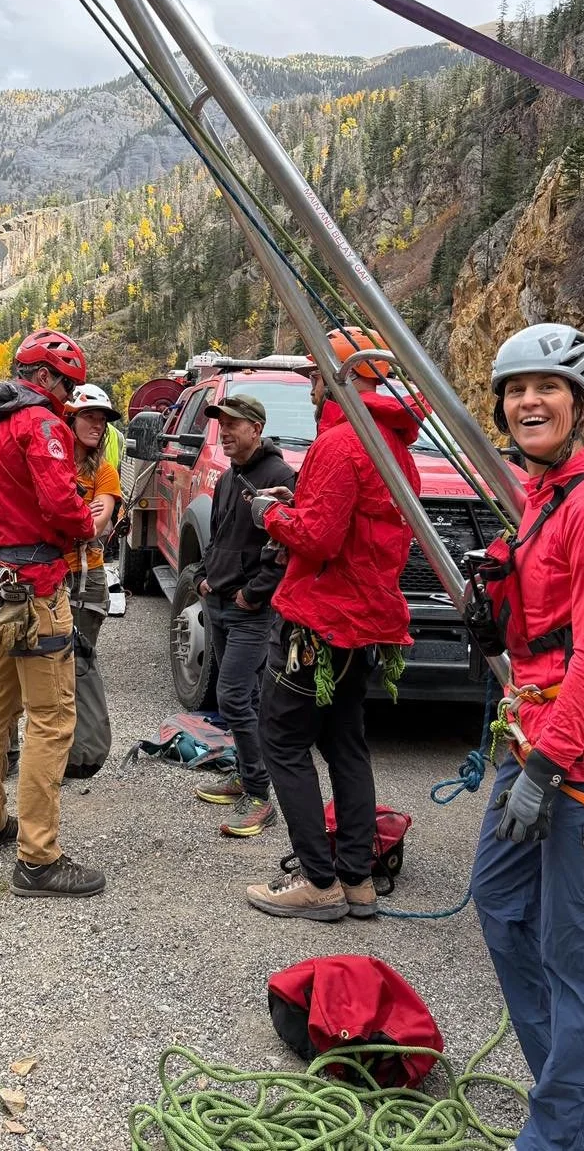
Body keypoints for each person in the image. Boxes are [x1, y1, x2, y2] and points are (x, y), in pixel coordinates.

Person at [469, 323, 584, 1151]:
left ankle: (565, 1133)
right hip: (537, 739)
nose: (528, 402)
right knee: (503, 904)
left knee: (582, 959)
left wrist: (546, 767)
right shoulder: (545, 495)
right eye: (515, 390)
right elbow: (548, 620)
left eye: (548, 389)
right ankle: (573, 1088)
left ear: (580, 405)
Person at [244, 326, 420, 922]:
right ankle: (357, 880)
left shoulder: (341, 445)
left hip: (319, 621)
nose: (314, 387)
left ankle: (318, 882)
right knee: (346, 744)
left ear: (341, 379)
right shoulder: (394, 448)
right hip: (364, 621)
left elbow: (318, 538)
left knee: (282, 740)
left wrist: (271, 514)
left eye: (318, 376)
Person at [0, 328, 105, 899]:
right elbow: (56, 503)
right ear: (44, 377)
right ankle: (38, 858)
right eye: (67, 384)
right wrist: (88, 519)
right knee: (51, 718)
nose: (69, 398)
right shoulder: (40, 425)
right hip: (38, 588)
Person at [191, 394, 295, 836]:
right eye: (221, 424)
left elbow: (286, 547)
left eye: (234, 424)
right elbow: (218, 536)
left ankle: (258, 794)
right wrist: (202, 575)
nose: (225, 432)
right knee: (242, 697)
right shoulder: (230, 476)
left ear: (257, 427)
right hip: (218, 600)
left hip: (250, 611)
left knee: (234, 695)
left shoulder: (280, 476)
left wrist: (254, 595)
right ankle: (248, 773)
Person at [62, 384, 123, 646]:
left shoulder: (104, 471)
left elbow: (95, 527)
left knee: (82, 661)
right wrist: (83, 510)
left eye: (102, 420)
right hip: (50, 575)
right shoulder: (51, 465)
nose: (98, 425)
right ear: (70, 419)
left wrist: (62, 514)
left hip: (88, 578)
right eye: (89, 417)